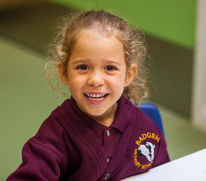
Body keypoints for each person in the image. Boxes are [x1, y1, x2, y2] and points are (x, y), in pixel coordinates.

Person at [7, 9, 170, 181]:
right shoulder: (55, 134)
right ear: (64, 71)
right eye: (83, 67)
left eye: (110, 68)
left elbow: (167, 174)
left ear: (129, 74)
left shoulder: (145, 128)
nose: (95, 80)